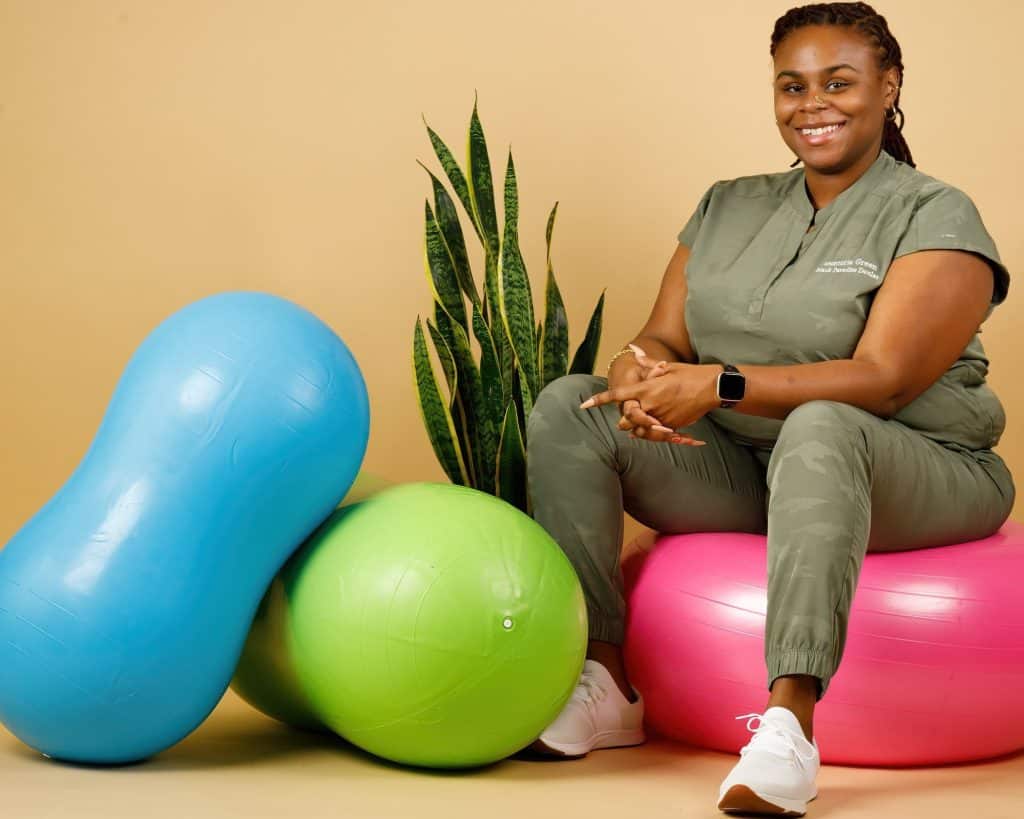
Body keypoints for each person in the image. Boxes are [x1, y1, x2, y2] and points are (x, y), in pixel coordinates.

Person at [523, 2, 1014, 816]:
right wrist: (637, 378)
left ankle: (788, 723)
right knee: (573, 405)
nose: (811, 102)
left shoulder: (936, 213)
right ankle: (605, 681)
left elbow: (884, 378)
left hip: (918, 465)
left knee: (824, 425)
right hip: (751, 467)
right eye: (793, 85)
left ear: (889, 86)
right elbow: (659, 336)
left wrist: (714, 384)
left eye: (839, 82)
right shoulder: (728, 203)